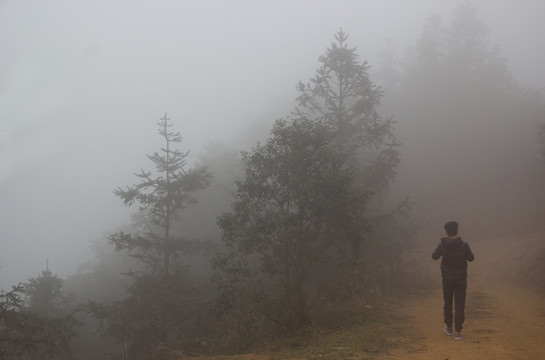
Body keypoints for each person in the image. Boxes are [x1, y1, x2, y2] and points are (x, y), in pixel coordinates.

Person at [432, 221, 474, 340]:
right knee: (460, 304)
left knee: (448, 303)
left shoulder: (442, 244)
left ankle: (449, 328)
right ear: (457, 231)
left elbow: (434, 256)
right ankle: (458, 332)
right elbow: (471, 258)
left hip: (447, 279)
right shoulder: (464, 245)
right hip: (461, 279)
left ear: (446, 232)